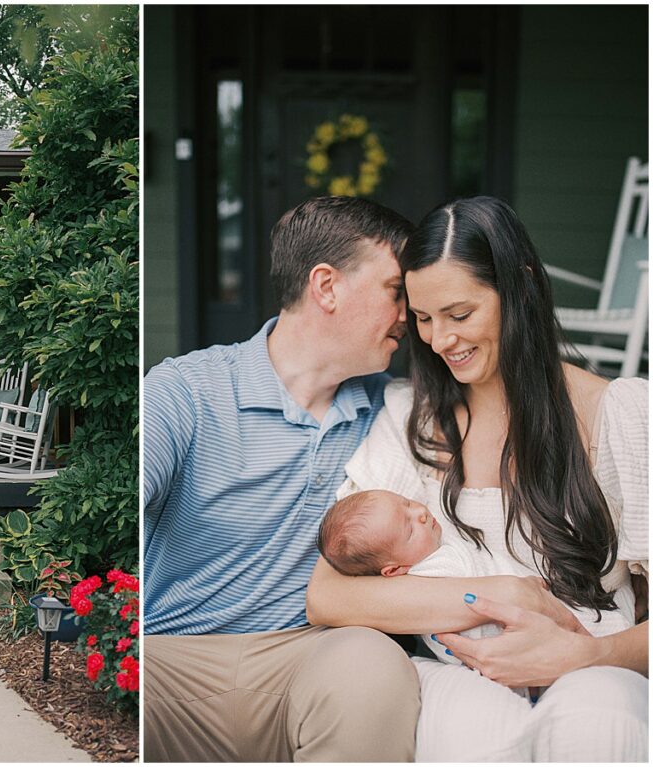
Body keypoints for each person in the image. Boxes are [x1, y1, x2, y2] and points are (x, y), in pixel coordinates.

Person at [306, 196, 648, 762]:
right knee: (474, 730)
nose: (440, 341)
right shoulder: (408, 420)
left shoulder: (620, 415)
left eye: (459, 315)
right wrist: (499, 595)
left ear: (521, 290)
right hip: (459, 674)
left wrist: (581, 657)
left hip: (594, 664)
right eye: (422, 319)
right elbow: (329, 594)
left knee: (600, 719)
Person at [143, 196, 422, 761]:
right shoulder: (186, 392)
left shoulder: (393, 415)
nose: (409, 315)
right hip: (171, 662)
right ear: (326, 287)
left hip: (310, 661)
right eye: (397, 291)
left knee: (373, 666)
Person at [316, 488, 632, 674]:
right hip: (510, 641)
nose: (421, 515)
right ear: (394, 571)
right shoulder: (431, 574)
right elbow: (476, 627)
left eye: (408, 504)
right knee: (601, 633)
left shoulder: (435, 542)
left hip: (544, 609)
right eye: (409, 529)